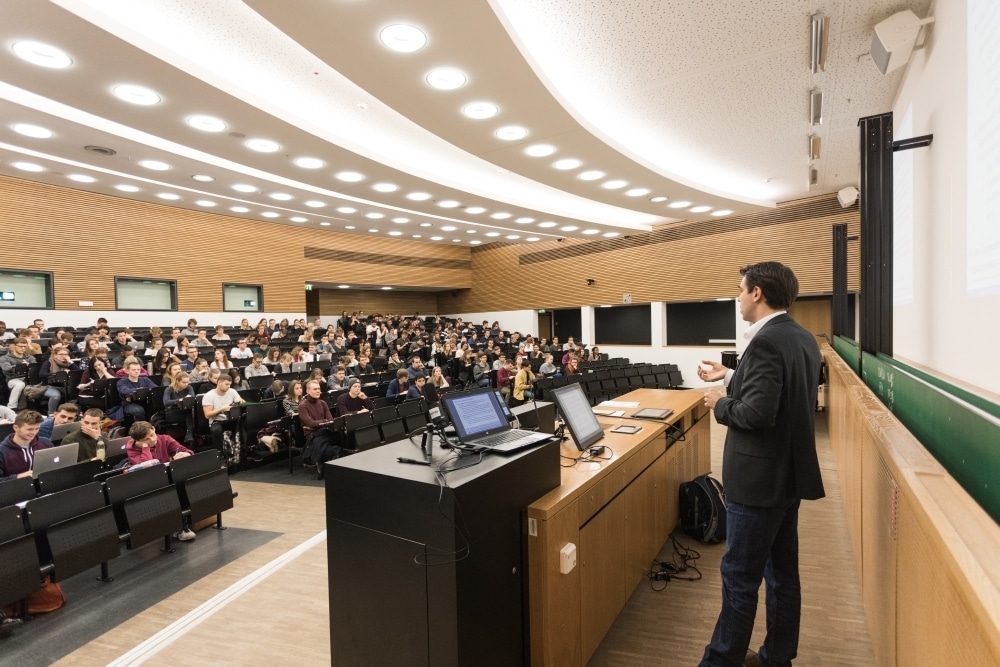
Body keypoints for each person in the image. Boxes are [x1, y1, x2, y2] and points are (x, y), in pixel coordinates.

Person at [697, 262, 824, 667]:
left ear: (757, 293)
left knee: (739, 580)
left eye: (740, 289)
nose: (737, 296)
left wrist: (720, 402)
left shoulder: (767, 341)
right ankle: (776, 658)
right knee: (783, 576)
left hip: (758, 483)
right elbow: (777, 392)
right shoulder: (801, 337)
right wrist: (731, 374)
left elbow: (756, 413)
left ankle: (721, 661)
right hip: (787, 478)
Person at [125, 421, 195, 541]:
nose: (152, 440)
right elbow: (148, 467)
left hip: (167, 477)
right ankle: (180, 528)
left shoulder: (165, 439)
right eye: (146, 439)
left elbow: (187, 451)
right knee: (169, 491)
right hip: (147, 482)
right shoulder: (132, 449)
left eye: (152, 435)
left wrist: (185, 454)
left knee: (182, 484)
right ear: (138, 441)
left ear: (153, 429)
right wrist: (145, 448)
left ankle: (183, 524)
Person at [0, 410, 53, 480]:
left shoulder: (46, 443)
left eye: (37, 428)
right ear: (16, 428)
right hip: (16, 488)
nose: (34, 432)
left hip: (44, 484)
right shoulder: (2, 451)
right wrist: (17, 477)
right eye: (29, 429)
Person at [202, 373, 244, 454]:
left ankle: (243, 450)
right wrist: (221, 410)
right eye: (226, 384)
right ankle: (220, 453)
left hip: (231, 419)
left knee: (245, 421)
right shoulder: (209, 396)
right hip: (217, 421)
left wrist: (240, 401)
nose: (228, 386)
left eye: (230, 384)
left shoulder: (232, 391)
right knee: (216, 430)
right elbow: (207, 415)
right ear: (219, 383)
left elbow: (239, 399)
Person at [110, 359, 158, 427]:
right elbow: (124, 390)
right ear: (127, 371)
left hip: (145, 401)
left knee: (155, 408)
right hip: (129, 404)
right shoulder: (122, 381)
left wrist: (137, 392)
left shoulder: (145, 380)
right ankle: (141, 429)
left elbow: (154, 388)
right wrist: (140, 390)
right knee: (138, 411)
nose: (136, 371)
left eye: (138, 370)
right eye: (133, 370)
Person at [1, 337, 35, 410]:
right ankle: (12, 407)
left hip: (28, 378)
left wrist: (29, 365)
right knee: (20, 384)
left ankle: (33, 408)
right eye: (20, 346)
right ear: (14, 346)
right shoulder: (5, 358)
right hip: (12, 379)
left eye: (24, 346)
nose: (23, 348)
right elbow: (6, 368)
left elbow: (35, 366)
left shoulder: (29, 357)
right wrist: (21, 366)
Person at [164, 372, 196, 445]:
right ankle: (189, 435)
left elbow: (192, 398)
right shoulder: (169, 389)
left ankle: (190, 435)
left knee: (191, 413)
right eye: (183, 382)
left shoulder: (189, 387)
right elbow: (166, 402)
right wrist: (181, 400)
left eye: (187, 382)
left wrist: (185, 400)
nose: (186, 384)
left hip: (184, 410)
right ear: (177, 381)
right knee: (190, 415)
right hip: (172, 412)